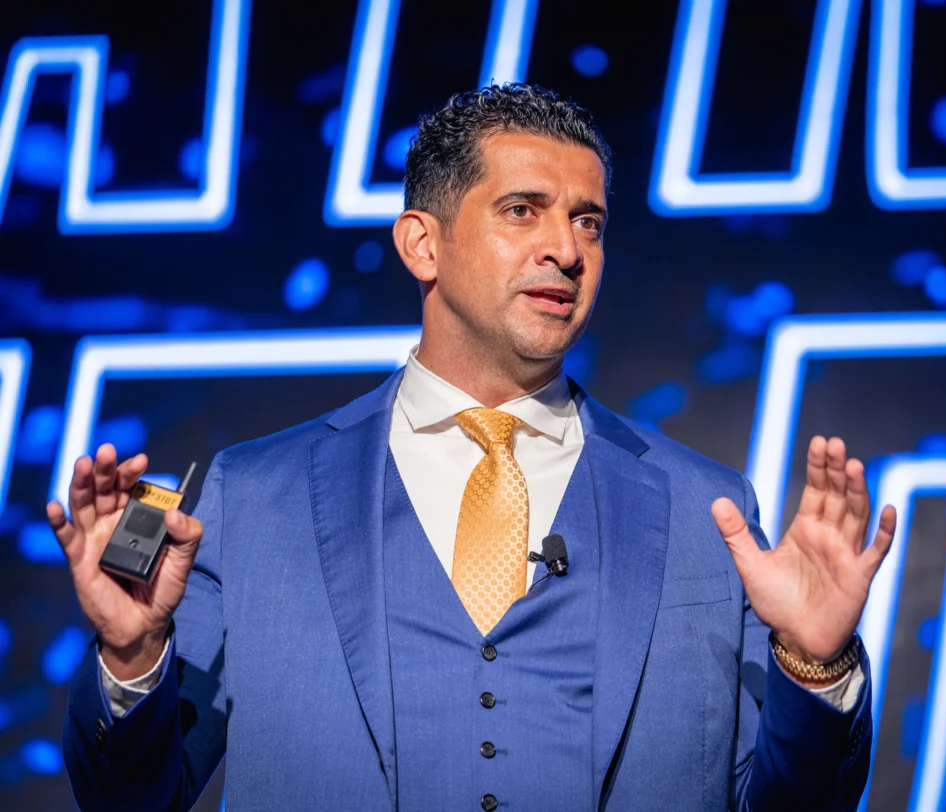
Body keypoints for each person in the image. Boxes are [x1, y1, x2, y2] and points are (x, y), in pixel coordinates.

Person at [51, 84, 895, 811]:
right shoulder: (253, 496)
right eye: (523, 210)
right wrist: (132, 656)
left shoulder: (705, 508)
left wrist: (814, 667)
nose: (567, 250)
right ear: (423, 244)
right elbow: (131, 798)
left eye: (589, 222)